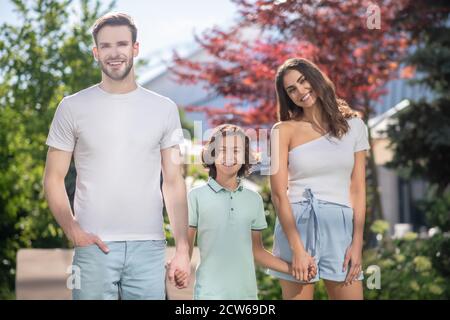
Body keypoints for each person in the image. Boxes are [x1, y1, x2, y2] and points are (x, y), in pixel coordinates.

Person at [43, 12, 190, 300]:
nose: (114, 53)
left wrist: (182, 248)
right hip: (92, 246)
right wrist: (73, 230)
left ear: (135, 48)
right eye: (106, 46)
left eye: (122, 44)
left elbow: (173, 182)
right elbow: (53, 178)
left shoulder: (164, 108)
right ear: (96, 53)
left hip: (149, 247)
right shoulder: (72, 107)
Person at [170, 124, 316, 299]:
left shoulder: (254, 200)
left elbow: (257, 251)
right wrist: (180, 268)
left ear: (245, 157)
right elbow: (186, 247)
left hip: (246, 296)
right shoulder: (196, 197)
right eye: (222, 149)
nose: (229, 156)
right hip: (208, 294)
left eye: (236, 150)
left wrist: (294, 269)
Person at [269, 58, 370, 300]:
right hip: (298, 224)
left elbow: (357, 189)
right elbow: (278, 194)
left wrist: (357, 244)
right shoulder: (281, 131)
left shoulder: (354, 126)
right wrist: (296, 248)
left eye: (303, 82)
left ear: (316, 79)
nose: (300, 91)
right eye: (291, 89)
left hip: (340, 225)